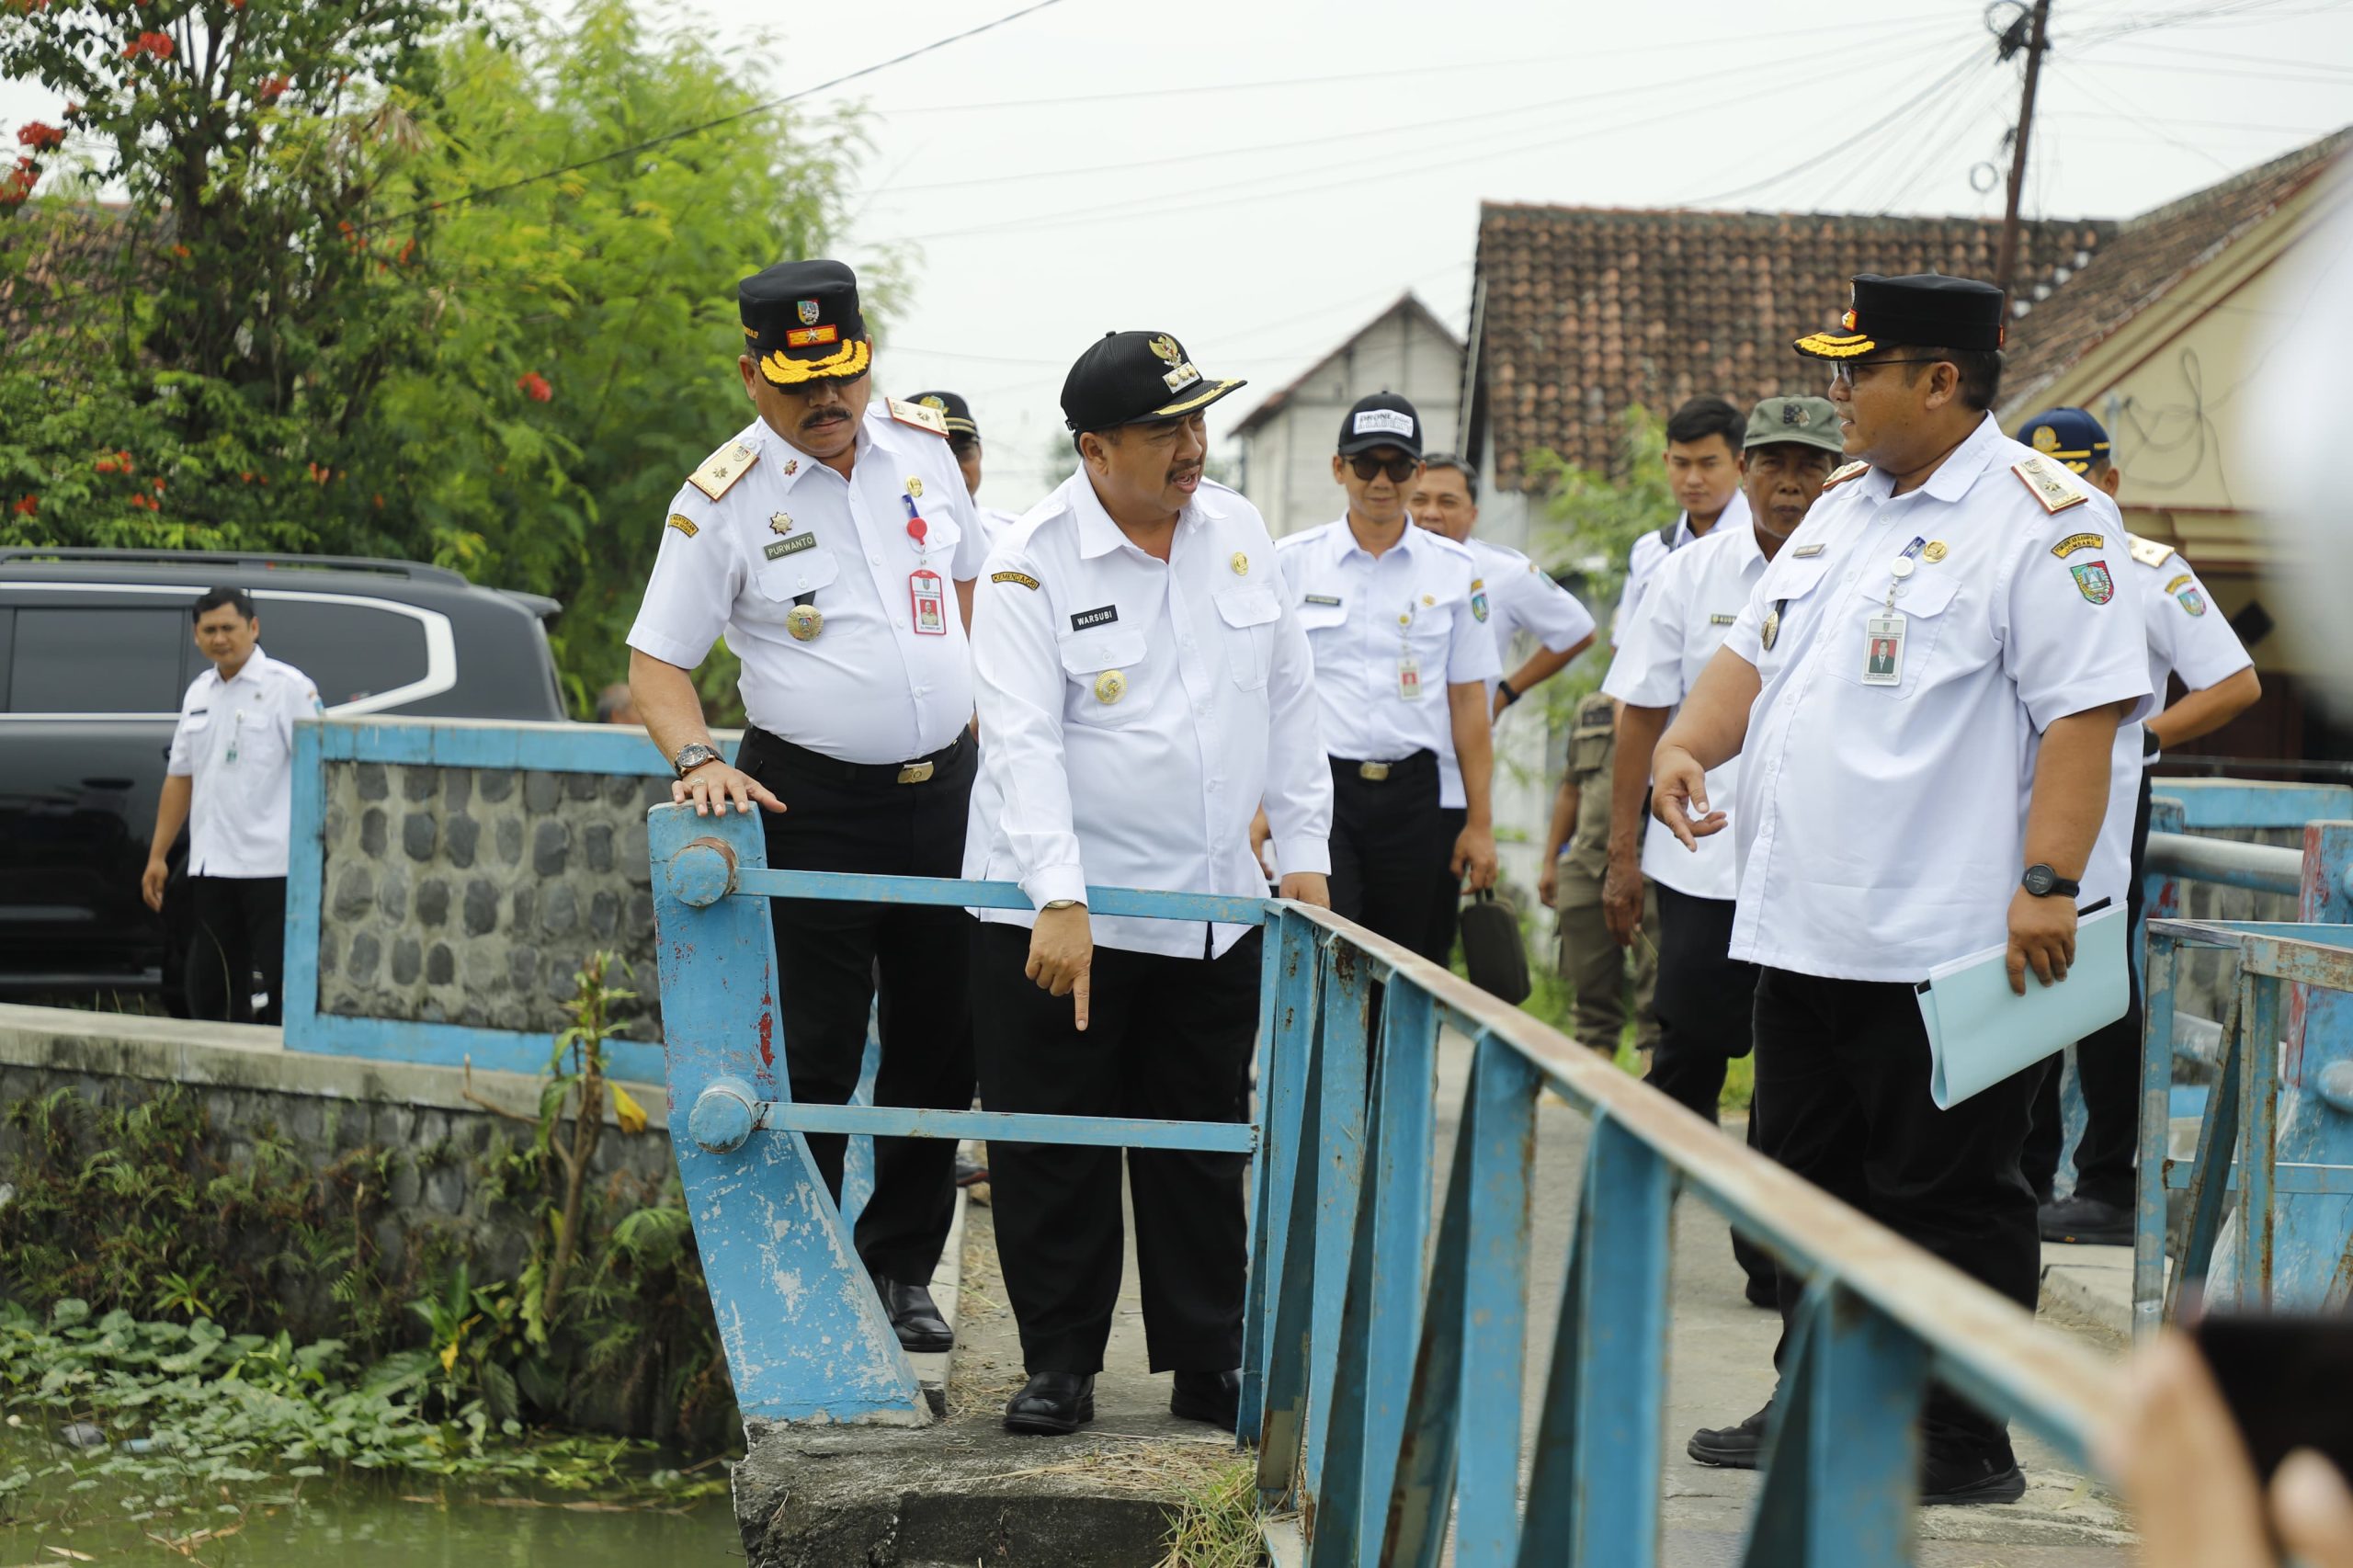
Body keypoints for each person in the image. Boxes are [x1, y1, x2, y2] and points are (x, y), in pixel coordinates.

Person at [1660, 273, 2152, 1504]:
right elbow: (1749, 654)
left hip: (1950, 936)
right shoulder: (1842, 509)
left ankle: (1958, 1436)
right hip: (1803, 926)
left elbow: (2084, 715)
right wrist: (1685, 743)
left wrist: (2048, 882)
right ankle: (1819, 1396)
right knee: (1802, 1180)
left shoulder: (2045, 520)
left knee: (1949, 1194)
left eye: (1856, 370)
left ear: (1939, 380)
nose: (1836, 393)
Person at [965, 329, 1332, 1437]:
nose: (1192, 446)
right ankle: (1060, 1362)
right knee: (1055, 1142)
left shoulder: (1237, 530)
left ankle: (1207, 1360)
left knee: (1199, 1140)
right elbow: (1020, 739)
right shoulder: (1030, 559)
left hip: (1210, 905)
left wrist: (1305, 855)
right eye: (1164, 429)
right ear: (1095, 448)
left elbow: (1289, 698)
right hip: (1058, 913)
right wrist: (1059, 893)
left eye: (1196, 420)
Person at [624, 257, 987, 1358]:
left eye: (843, 375)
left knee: (941, 1046)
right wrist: (699, 756)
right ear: (752, 375)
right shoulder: (722, 500)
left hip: (950, 796)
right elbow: (656, 664)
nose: (828, 400)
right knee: (817, 1055)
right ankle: (816, 1274)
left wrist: (979, 705)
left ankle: (900, 1266)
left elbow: (966, 583)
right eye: (799, 383)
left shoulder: (924, 450)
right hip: (813, 798)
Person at [1603, 394, 1843, 1305]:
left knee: (1796, 1067)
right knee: (1693, 1046)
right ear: (1744, 470)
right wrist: (1621, 854)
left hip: (1814, 866)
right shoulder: (1688, 573)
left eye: (1812, 464)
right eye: (1774, 462)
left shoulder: (1865, 567)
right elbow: (1639, 714)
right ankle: (1636, 1219)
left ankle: (1770, 1254)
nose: (1791, 482)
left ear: (1837, 475)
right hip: (1703, 859)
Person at [2014, 406, 2260, 1244]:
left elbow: (2234, 681)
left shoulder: (2147, 570)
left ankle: (2107, 1185)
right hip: (2008, 811)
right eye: (2040, 476)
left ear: (2109, 480)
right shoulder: (2003, 556)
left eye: (2075, 475)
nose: (2057, 491)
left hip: (2105, 808)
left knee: (2094, 989)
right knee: (2013, 986)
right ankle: (2023, 1175)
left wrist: (2149, 736)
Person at [1267, 392, 1499, 949]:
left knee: (1404, 958)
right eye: (1366, 463)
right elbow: (1263, 693)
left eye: (1397, 466)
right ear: (1339, 468)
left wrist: (1480, 824)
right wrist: (1257, 805)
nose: (1380, 480)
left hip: (1414, 795)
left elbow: (1469, 701)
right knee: (1327, 945)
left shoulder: (1456, 570)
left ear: (1417, 473)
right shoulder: (1290, 562)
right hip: (1321, 791)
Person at [1407, 452, 1596, 960]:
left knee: (1425, 939)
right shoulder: (1384, 565)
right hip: (1372, 777)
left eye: (1447, 502)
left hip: (1452, 782)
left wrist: (1506, 692)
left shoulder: (1501, 572)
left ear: (1473, 512)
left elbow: (1577, 629)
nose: (1431, 513)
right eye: (1420, 500)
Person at [141, 587, 322, 1027]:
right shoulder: (199, 693)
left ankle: (281, 1063)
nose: (219, 638)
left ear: (253, 628)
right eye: (209, 630)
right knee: (213, 984)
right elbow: (180, 777)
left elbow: (320, 770)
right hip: (212, 865)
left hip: (274, 865)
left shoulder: (287, 688)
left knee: (285, 983)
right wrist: (158, 855)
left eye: (228, 627)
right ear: (196, 635)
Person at [1537, 690, 1661, 1057]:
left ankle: (1652, 1086)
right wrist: (1551, 860)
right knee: (1590, 996)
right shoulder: (1592, 709)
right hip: (1588, 861)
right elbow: (1571, 789)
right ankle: (1594, 1079)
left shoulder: (1673, 701)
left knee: (1658, 997)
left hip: (1653, 861)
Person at [1610, 395, 1753, 642]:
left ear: (1740, 465)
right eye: (1682, 464)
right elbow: (1625, 647)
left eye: (1708, 464)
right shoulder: (1649, 553)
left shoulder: (1766, 546)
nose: (1693, 479)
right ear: (1667, 461)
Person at [908, 389, 1025, 550]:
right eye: (934, 458)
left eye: (962, 452)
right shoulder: (887, 541)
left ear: (980, 451)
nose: (953, 469)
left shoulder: (1016, 536)